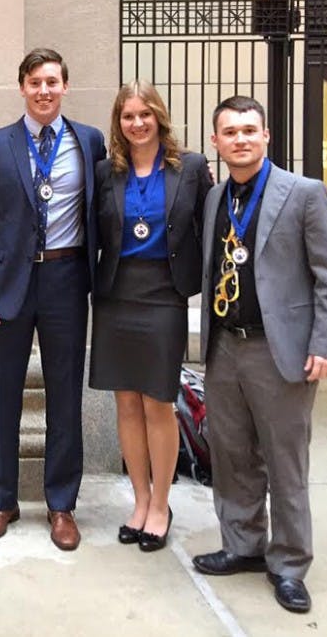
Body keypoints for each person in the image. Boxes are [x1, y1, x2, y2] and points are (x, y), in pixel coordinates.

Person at [191, 95, 327, 614]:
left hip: (281, 350)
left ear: (266, 136)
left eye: (248, 130)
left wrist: (326, 343)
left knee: (285, 461)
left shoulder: (304, 193)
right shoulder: (216, 198)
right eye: (229, 132)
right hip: (224, 347)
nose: (240, 139)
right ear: (215, 141)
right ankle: (243, 544)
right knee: (232, 456)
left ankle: (289, 564)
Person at [0, 48, 106, 548]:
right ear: (21, 87)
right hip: (7, 287)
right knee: (3, 395)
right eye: (35, 82)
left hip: (67, 279)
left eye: (52, 82)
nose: (44, 91)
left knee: (65, 396)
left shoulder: (90, 141)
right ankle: (2, 501)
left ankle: (62, 505)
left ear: (65, 86)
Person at [89, 80, 211, 551]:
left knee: (158, 402)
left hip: (164, 295)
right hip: (117, 294)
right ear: (118, 123)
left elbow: (210, 228)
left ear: (159, 116)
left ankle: (161, 504)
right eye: (128, 116)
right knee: (126, 402)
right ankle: (139, 501)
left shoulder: (190, 167)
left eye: (145, 114)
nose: (137, 123)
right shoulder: (107, 171)